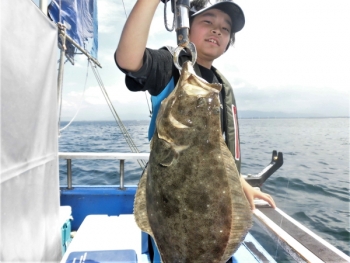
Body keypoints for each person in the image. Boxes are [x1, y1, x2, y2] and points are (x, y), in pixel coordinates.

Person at [115, 0, 276, 210]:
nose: (217, 30)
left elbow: (215, 151)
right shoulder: (172, 66)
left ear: (228, 42)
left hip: (213, 202)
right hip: (172, 203)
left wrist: (239, 181)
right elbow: (129, 60)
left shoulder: (221, 85)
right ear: (187, 28)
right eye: (208, 21)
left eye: (225, 29)